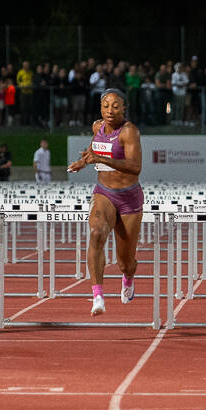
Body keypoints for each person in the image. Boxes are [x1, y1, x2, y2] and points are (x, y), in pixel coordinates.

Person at [66, 88, 143, 315]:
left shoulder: (129, 132)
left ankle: (128, 277)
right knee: (96, 233)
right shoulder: (97, 127)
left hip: (129, 197)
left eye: (116, 106)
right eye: (106, 105)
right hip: (104, 193)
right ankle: (97, 295)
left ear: (124, 109)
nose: (110, 110)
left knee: (125, 262)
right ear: (100, 108)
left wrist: (102, 159)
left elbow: (135, 167)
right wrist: (85, 160)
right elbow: (94, 148)